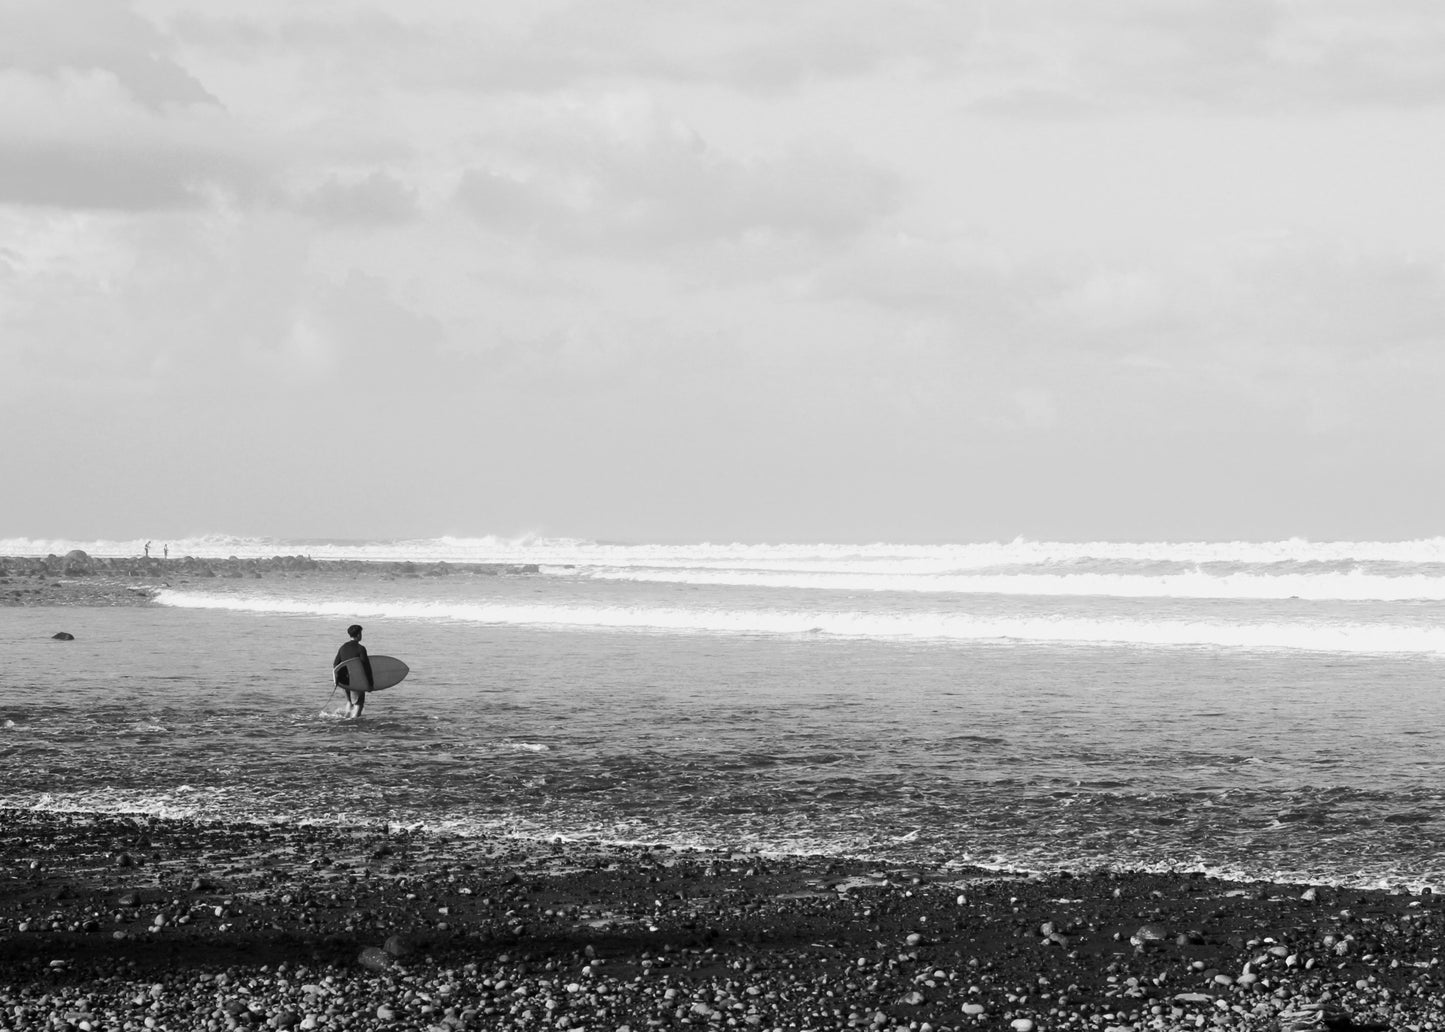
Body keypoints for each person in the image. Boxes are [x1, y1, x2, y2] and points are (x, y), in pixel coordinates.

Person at [333, 623, 375, 719]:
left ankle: (347, 717)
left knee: (350, 702)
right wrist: (370, 684)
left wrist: (337, 679)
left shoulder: (343, 647)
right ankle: (352, 721)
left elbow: (335, 664)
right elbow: (366, 667)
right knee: (358, 703)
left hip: (345, 680)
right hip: (356, 681)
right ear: (359, 634)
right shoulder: (361, 649)